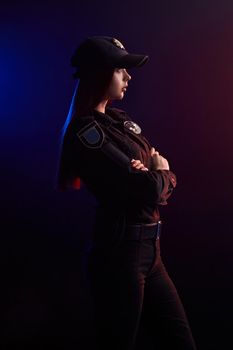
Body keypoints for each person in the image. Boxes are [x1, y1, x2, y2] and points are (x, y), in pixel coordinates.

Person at [56, 36, 197, 350]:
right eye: (121, 70)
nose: (128, 77)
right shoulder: (86, 133)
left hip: (151, 253)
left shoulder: (119, 120)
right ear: (101, 74)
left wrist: (154, 172)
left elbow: (153, 177)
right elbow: (150, 188)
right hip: (120, 256)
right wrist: (158, 172)